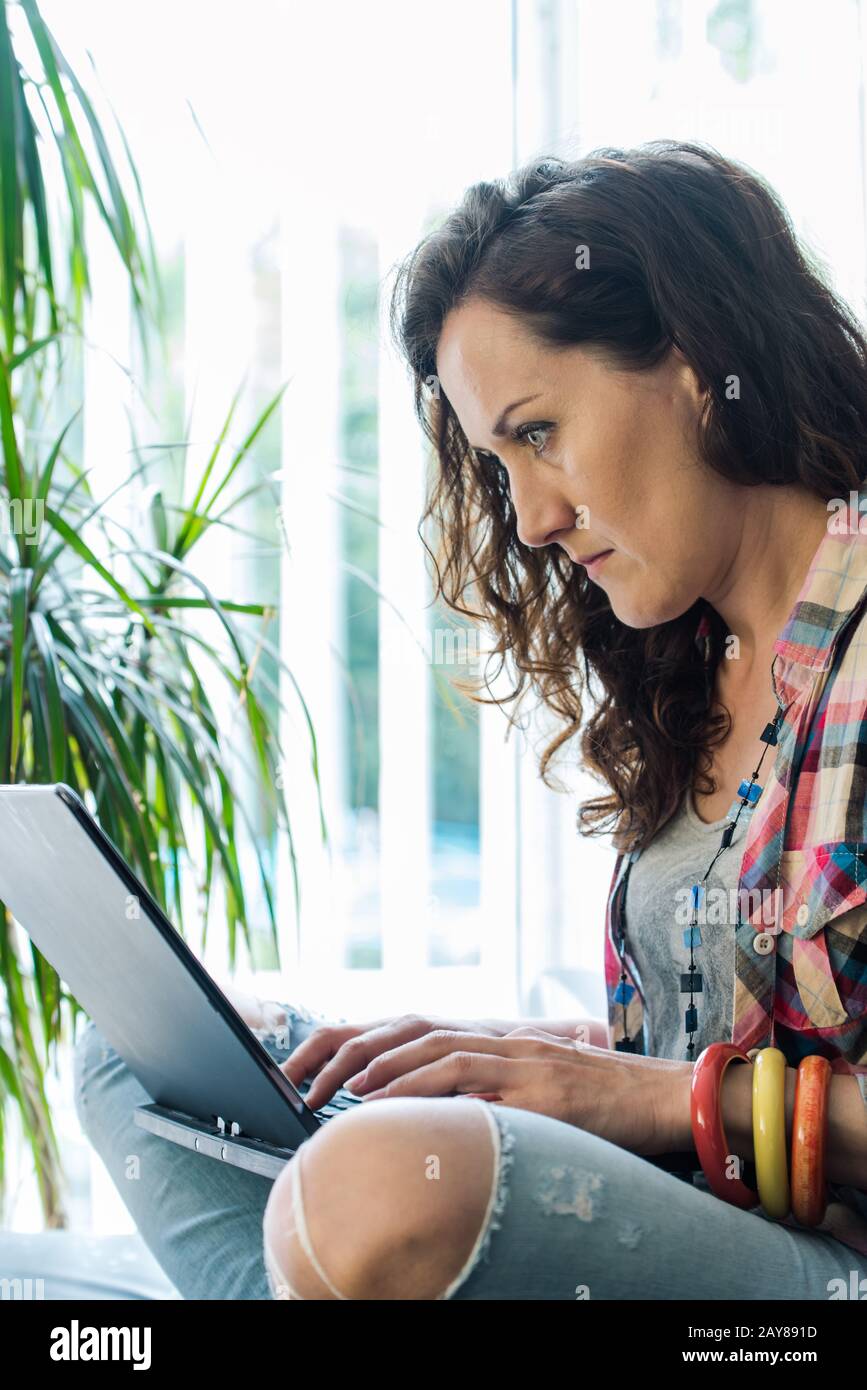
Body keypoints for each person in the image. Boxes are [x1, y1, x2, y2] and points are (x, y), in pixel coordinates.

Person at [76, 140, 867, 1300]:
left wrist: (637, 1098)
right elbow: (713, 1048)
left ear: (702, 361)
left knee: (384, 1186)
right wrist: (523, 1063)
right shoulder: (695, 667)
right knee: (137, 1063)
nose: (533, 519)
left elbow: (695, 1098)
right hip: (716, 1215)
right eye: (500, 468)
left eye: (538, 433)